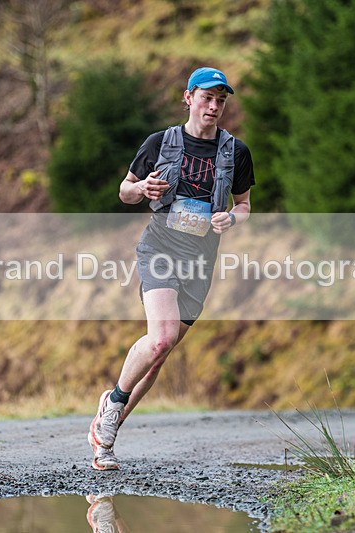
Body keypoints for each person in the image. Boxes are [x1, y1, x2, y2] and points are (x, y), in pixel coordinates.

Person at [87, 67, 255, 470]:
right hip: (160, 248)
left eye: (221, 100)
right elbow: (125, 191)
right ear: (188, 98)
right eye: (207, 98)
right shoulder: (161, 142)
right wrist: (143, 188)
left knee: (159, 357)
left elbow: (245, 206)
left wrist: (231, 219)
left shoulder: (236, 152)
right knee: (160, 339)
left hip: (200, 263)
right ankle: (111, 408)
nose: (214, 106)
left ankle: (105, 436)